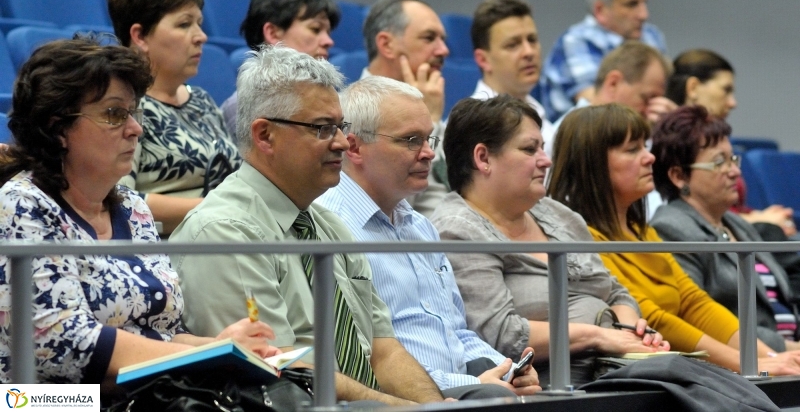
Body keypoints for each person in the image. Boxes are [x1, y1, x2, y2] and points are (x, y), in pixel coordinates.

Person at [170, 45, 447, 405]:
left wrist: (432, 406)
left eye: (340, 127)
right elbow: (283, 370)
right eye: (322, 128)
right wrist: (401, 408)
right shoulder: (224, 232)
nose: (343, 142)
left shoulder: (328, 226)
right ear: (265, 135)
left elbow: (383, 349)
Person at [0, 38, 279, 387]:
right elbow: (65, 345)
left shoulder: (132, 208)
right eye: (115, 114)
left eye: (134, 112)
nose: (136, 129)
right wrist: (208, 357)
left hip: (146, 395)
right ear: (59, 129)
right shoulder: (20, 205)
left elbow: (160, 335)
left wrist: (222, 347)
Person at [317, 76, 541, 399]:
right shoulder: (330, 227)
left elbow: (456, 333)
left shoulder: (419, 225)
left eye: (428, 140)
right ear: (354, 147)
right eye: (410, 140)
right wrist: (474, 385)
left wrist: (508, 368)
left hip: (465, 388)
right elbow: (364, 359)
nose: (428, 154)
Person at [429, 96, 666, 387]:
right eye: (530, 149)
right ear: (483, 158)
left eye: (542, 147)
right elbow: (499, 335)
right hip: (557, 389)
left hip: (617, 369)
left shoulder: (557, 214)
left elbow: (614, 291)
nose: (546, 160)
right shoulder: (457, 231)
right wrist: (601, 336)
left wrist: (631, 329)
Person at [547, 103, 800, 375]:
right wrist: (750, 364)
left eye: (645, 146)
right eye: (633, 150)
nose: (650, 158)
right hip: (656, 373)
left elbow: (696, 304)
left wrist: (769, 358)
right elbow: (653, 319)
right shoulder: (584, 240)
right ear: (592, 164)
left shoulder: (645, 232)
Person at [650, 105, 800, 352]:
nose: (735, 172)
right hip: (750, 363)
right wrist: (787, 349)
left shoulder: (736, 223)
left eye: (733, 159)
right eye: (719, 163)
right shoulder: (670, 229)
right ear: (679, 176)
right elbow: (702, 320)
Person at [107, 0, 240, 235]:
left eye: (199, 24)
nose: (201, 36)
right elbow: (117, 198)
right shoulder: (122, 106)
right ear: (140, 35)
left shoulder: (202, 100)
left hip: (227, 240)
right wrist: (219, 210)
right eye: (184, 24)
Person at [666, 49, 795, 235]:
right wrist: (758, 220)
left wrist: (762, 215)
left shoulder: (722, 140)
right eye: (725, 90)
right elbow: (695, 213)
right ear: (693, 87)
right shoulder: (670, 149)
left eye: (730, 160)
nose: (733, 103)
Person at [540, 0, 667, 121]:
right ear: (600, 10)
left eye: (644, 3)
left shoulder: (652, 37)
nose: (644, 14)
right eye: (632, 4)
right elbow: (598, 111)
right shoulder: (576, 42)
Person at [362, 0, 449, 217]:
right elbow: (389, 207)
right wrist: (427, 119)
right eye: (429, 38)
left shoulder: (440, 115)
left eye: (443, 39)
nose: (443, 50)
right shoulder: (351, 116)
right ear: (387, 44)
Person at [220, 0, 341, 137]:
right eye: (315, 29)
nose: (328, 41)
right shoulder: (241, 106)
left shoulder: (334, 102)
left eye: (328, 32)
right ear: (273, 33)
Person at [546, 41, 674, 158]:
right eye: (647, 99)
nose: (652, 110)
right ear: (613, 83)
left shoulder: (645, 137)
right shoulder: (561, 138)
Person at [470, 0, 554, 146]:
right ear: (483, 60)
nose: (529, 52)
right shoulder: (471, 126)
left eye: (532, 40)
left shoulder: (542, 119)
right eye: (513, 45)